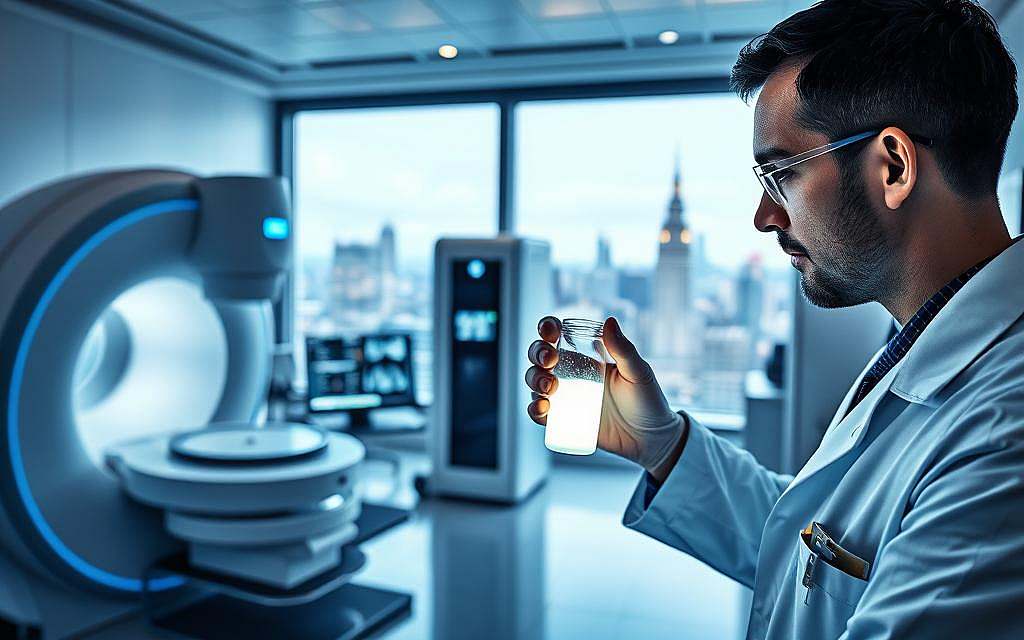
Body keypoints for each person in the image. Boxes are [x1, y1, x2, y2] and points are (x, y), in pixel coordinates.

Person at [524, 1, 1022, 637]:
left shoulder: (1004, 436)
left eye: (780, 173)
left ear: (892, 167)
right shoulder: (926, 339)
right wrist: (662, 443)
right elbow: (819, 548)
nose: (765, 217)